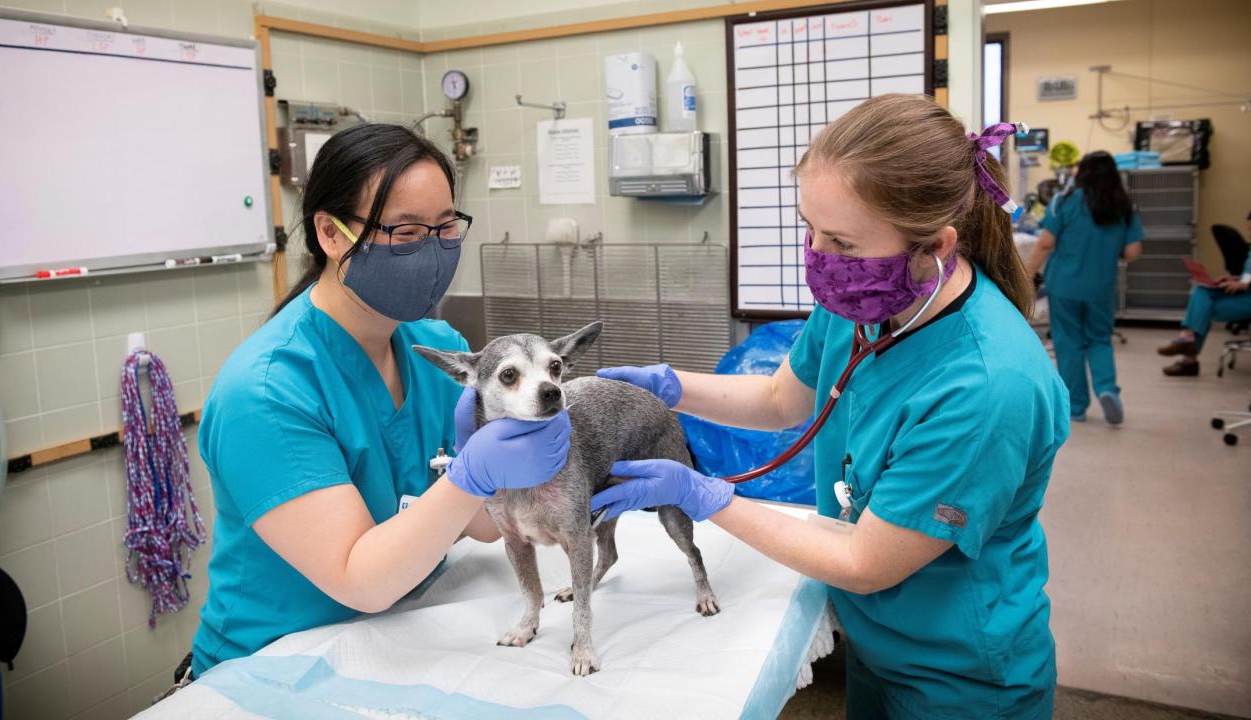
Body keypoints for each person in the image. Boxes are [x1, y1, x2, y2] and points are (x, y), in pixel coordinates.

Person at [586, 95, 1069, 719]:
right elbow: (780, 399)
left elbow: (865, 562)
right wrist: (669, 386)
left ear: (936, 248)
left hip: (961, 673)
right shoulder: (861, 304)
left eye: (841, 240)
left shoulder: (987, 387)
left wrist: (706, 495)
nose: (818, 257)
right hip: (874, 640)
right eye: (808, 228)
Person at [189, 124, 571, 677]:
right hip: (274, 667)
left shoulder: (440, 351)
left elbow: (485, 526)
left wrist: (544, 468)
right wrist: (477, 473)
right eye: (408, 231)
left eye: (445, 228)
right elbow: (359, 578)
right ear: (331, 233)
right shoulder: (266, 393)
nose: (435, 250)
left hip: (400, 632)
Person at [1024, 151, 1143, 424]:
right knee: (1100, 340)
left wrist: (1027, 275)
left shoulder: (1063, 202)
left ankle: (1076, 406)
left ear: (1082, 173)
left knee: (1069, 343)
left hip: (1065, 285)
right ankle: (1107, 390)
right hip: (1101, 286)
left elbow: (1044, 244)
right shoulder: (1123, 206)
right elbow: (1133, 252)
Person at [1156, 211, 1251, 375]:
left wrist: (1243, 284)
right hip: (1243, 291)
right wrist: (1234, 278)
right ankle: (1187, 341)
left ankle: (1188, 355)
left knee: (1203, 307)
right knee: (1201, 290)